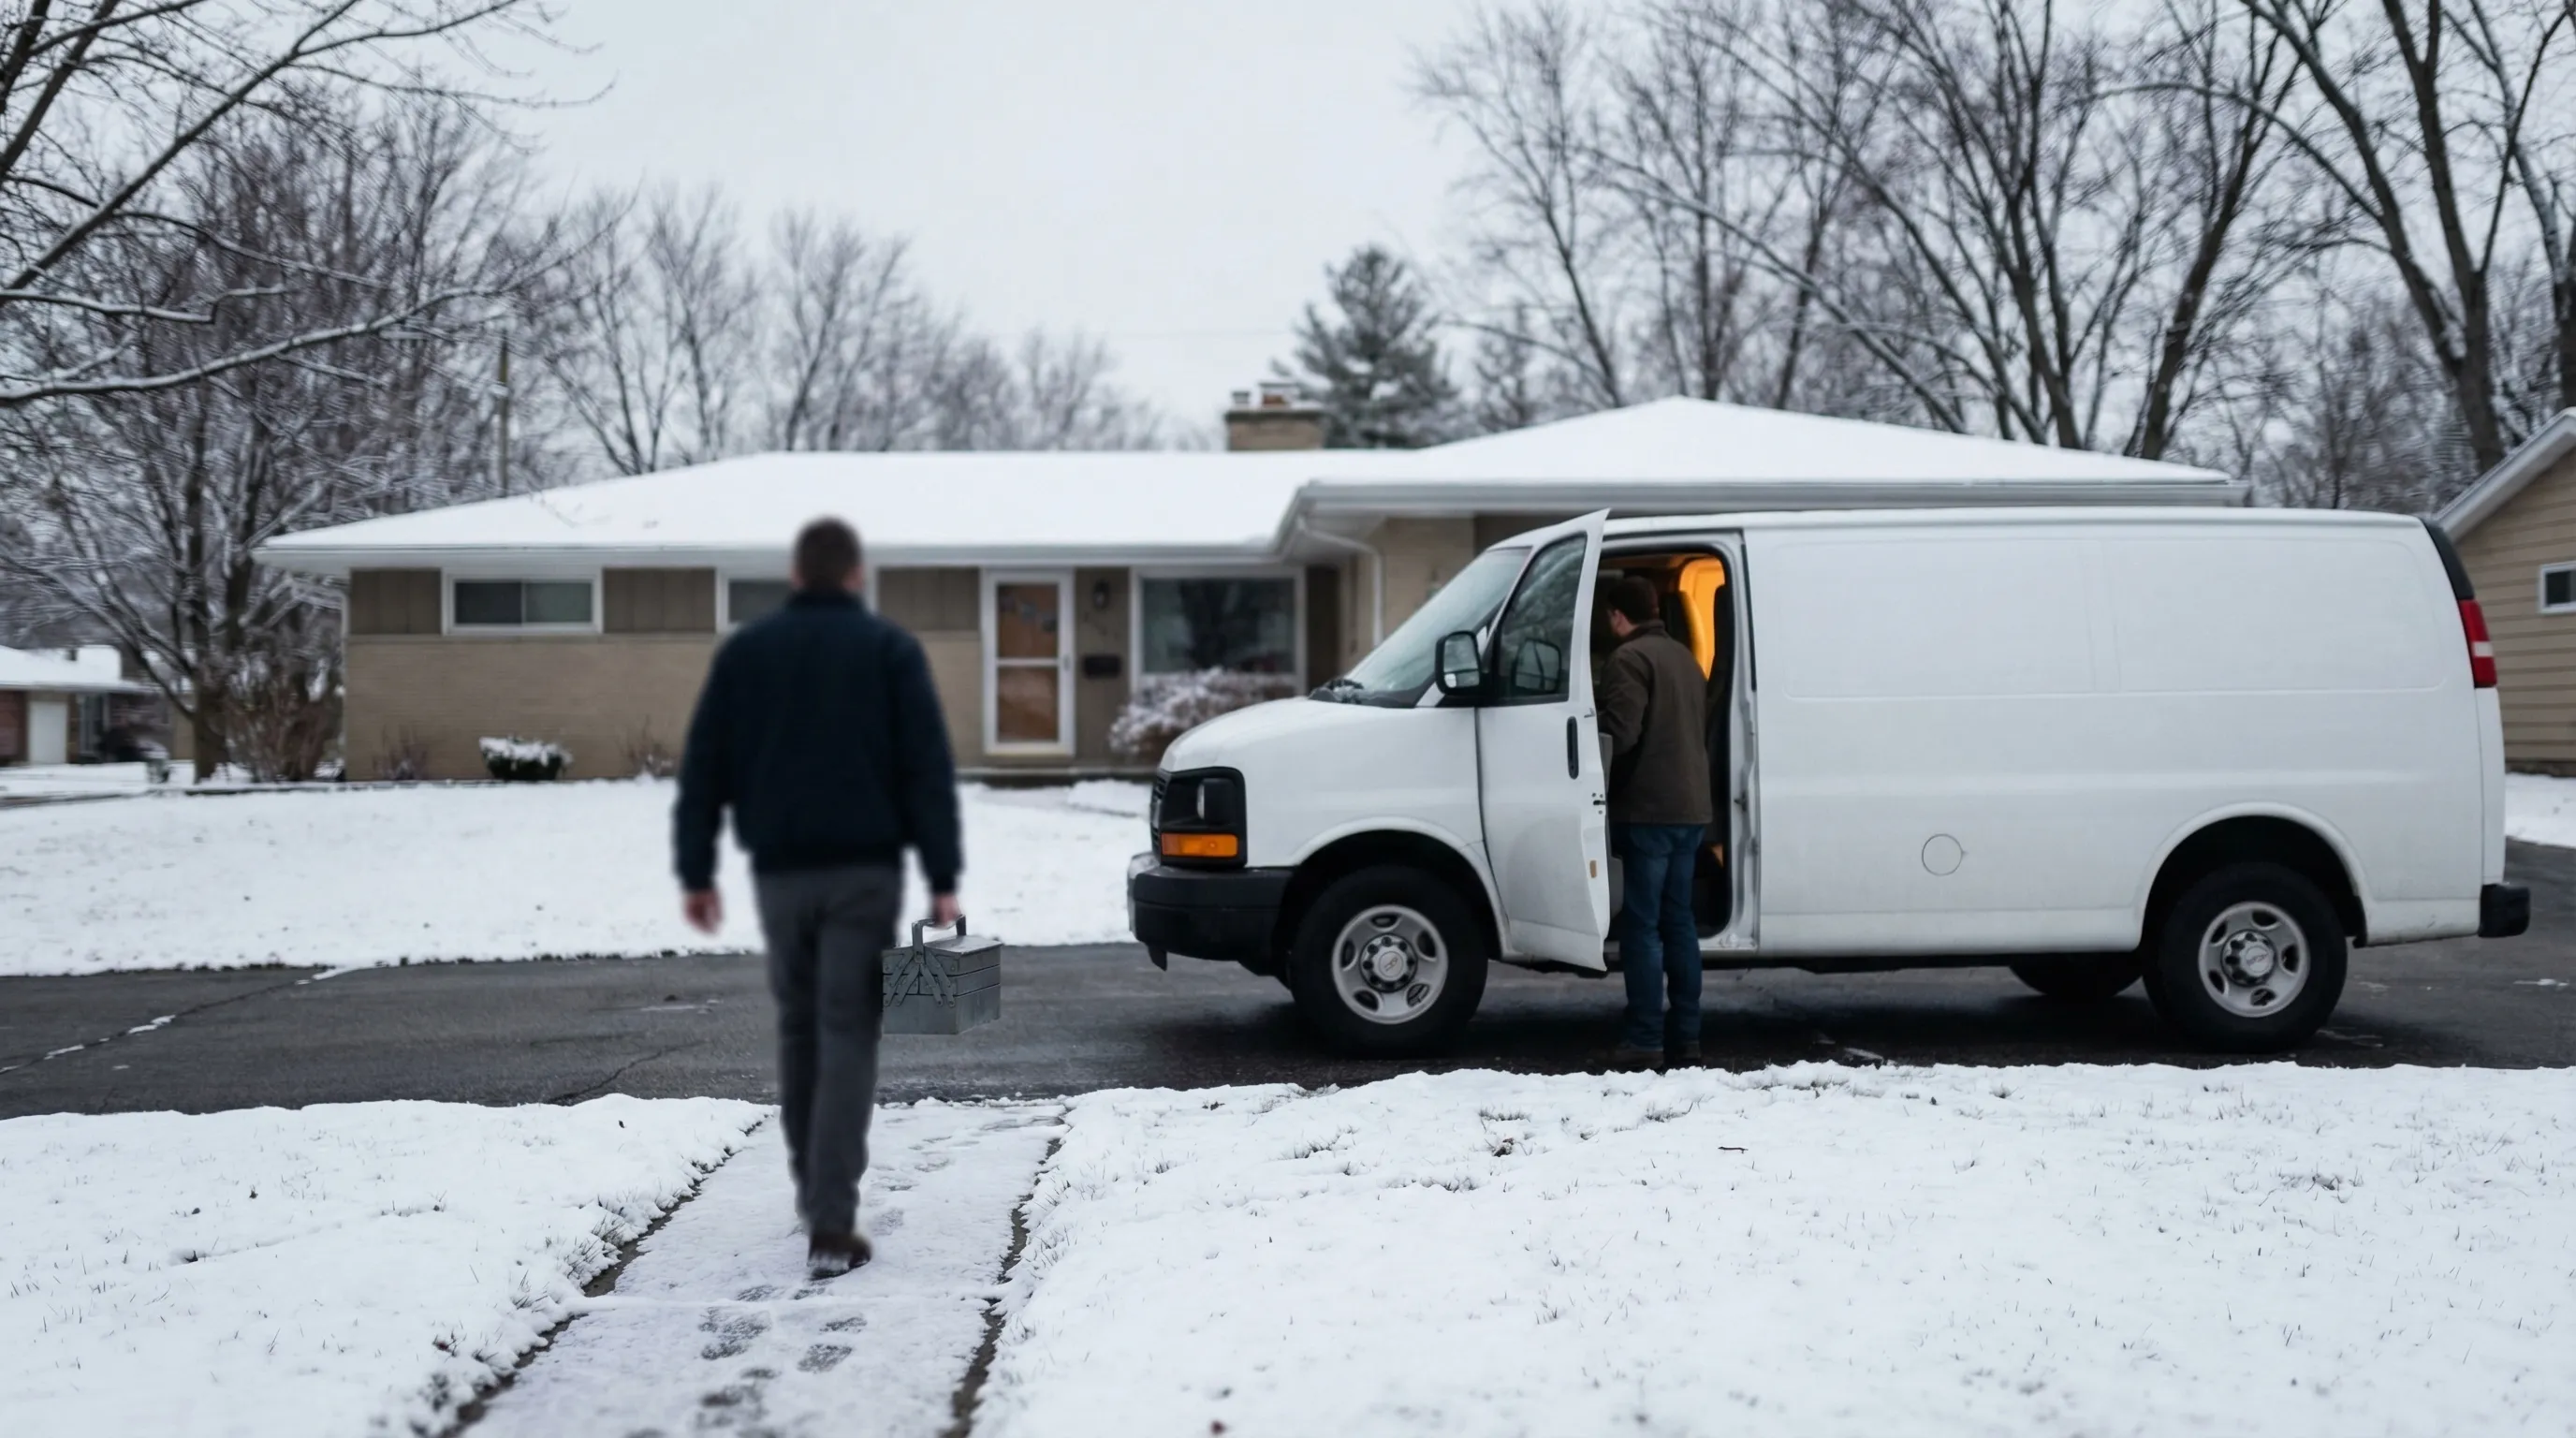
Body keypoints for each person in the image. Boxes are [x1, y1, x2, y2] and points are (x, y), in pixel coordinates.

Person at [674, 517, 962, 1280]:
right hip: (864, 873)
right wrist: (942, 874)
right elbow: (924, 769)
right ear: (855, 576)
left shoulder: (748, 653)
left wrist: (696, 870)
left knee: (800, 1030)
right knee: (847, 1034)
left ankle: (814, 1196)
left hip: (779, 876)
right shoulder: (890, 652)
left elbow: (706, 765)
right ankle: (831, 1221)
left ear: (798, 577)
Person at [1596, 574, 1713, 1070]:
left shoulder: (1629, 659)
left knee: (1642, 927)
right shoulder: (1684, 658)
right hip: (1690, 809)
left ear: (1618, 616)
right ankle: (1687, 1037)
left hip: (1647, 812)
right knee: (1679, 922)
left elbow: (1620, 735)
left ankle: (1644, 1037)